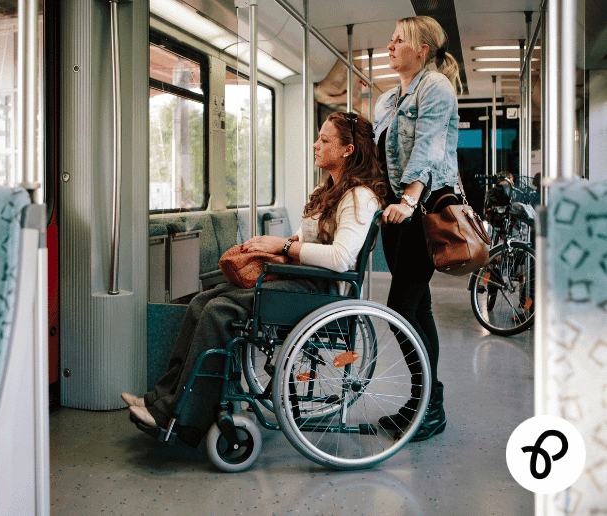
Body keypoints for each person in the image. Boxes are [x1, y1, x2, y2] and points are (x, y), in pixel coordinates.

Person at [122, 111, 387, 447]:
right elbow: (307, 240)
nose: (316, 145)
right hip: (300, 280)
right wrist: (273, 249)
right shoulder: (330, 190)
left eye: (325, 139)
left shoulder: (358, 197)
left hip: (316, 291)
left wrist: (285, 246)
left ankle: (183, 417)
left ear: (347, 150)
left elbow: (341, 257)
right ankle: (161, 398)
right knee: (203, 300)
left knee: (219, 310)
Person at [373, 15, 461, 442]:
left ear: (421, 50)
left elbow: (429, 145)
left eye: (398, 40)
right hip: (396, 216)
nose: (389, 46)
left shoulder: (436, 88)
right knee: (418, 309)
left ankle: (431, 402)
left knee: (400, 313)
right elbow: (378, 161)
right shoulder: (387, 100)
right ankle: (419, 404)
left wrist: (408, 200)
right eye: (390, 40)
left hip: (422, 211)